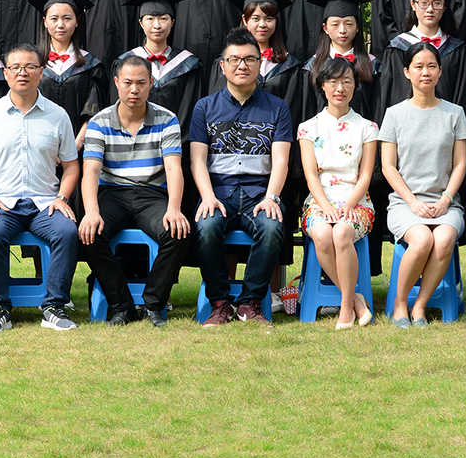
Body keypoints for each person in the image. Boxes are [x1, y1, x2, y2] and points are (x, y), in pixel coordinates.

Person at [0, 45, 82, 332]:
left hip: (46, 203)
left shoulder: (57, 115)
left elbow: (71, 165)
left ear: (41, 72)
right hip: (3, 203)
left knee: (67, 232)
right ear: (5, 74)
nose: (23, 73)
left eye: (30, 67)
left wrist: (62, 197)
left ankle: (54, 306)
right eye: (15, 67)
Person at [186, 29, 294, 326]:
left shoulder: (277, 108)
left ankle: (250, 303)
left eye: (249, 59)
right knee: (206, 227)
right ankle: (219, 303)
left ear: (260, 64)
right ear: (222, 66)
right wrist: (208, 197)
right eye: (234, 59)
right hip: (219, 193)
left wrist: (272, 197)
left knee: (271, 227)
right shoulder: (204, 107)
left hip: (260, 193)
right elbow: (197, 160)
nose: (242, 65)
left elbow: (281, 160)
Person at [75, 54, 192, 326]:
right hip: (113, 193)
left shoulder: (167, 119)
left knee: (178, 232)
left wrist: (174, 209)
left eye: (141, 83)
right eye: (127, 83)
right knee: (89, 233)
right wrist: (91, 212)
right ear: (116, 82)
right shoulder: (100, 121)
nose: (134, 90)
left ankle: (153, 304)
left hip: (152, 195)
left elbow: (173, 167)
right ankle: (122, 306)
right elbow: (90, 171)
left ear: (151, 83)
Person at [379, 40, 466, 327]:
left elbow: (461, 164)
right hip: (404, 204)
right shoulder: (394, 114)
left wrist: (446, 199)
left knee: (443, 239)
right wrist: (412, 201)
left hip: (446, 203)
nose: (425, 72)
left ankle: (419, 306)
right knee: (421, 240)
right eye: (418, 66)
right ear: (407, 72)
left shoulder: (454, 113)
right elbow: (388, 166)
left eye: (431, 66)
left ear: (440, 71)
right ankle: (399, 305)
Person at [297, 58, 378, 329]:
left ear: (355, 85)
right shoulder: (308, 127)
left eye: (346, 82)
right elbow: (311, 175)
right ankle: (355, 300)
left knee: (342, 232)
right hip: (319, 201)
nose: (339, 88)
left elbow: (365, 175)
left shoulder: (367, 128)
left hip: (357, 201)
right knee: (322, 234)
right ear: (322, 85)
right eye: (333, 82)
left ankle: (345, 307)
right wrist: (326, 206)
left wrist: (349, 204)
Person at [385, 0, 466, 117]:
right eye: (423, 3)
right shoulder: (398, 47)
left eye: (437, 3)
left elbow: (465, 96)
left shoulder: (457, 49)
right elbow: (391, 95)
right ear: (413, 5)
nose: (430, 9)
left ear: (444, 7)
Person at [31, 0, 104, 124]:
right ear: (45, 22)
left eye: (67, 18)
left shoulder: (90, 65)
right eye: (54, 19)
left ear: (77, 21)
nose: (60, 25)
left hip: (79, 135)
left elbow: (94, 108)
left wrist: (80, 137)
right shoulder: (33, 62)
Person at [123, 0, 200, 118]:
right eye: (150, 19)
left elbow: (189, 108)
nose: (157, 25)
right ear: (141, 23)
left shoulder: (188, 64)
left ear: (172, 22)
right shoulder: (125, 62)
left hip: (176, 129)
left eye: (163, 19)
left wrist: (174, 130)